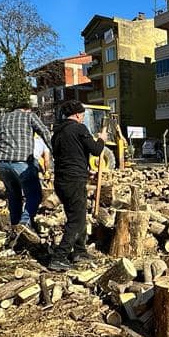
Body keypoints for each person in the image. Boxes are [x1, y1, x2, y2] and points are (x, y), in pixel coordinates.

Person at [48, 100, 107, 271]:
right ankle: (59, 257)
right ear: (77, 114)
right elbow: (96, 150)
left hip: (63, 180)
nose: (82, 118)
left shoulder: (57, 133)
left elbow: (70, 156)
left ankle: (80, 251)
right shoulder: (79, 129)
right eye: (82, 115)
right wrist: (101, 139)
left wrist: (85, 171)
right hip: (73, 181)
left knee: (76, 217)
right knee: (77, 220)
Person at [0, 101, 50, 232]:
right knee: (34, 195)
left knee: (14, 196)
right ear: (27, 109)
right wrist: (57, 154)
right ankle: (24, 224)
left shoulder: (2, 118)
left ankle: (15, 227)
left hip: (2, 163)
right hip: (22, 162)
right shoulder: (30, 116)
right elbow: (45, 132)